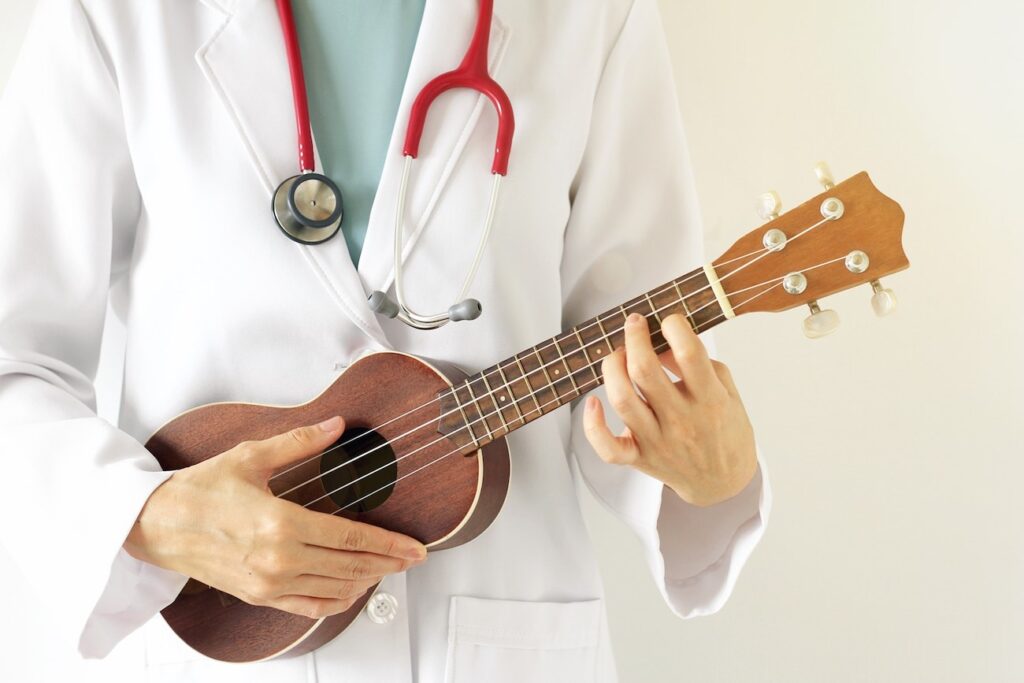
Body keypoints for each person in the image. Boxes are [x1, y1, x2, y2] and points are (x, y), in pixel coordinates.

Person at [0, 0, 770, 681]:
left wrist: (712, 475)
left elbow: (636, 359)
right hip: (226, 644)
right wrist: (150, 512)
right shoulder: (114, 12)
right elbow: (13, 358)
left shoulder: (584, 14)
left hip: (499, 643)